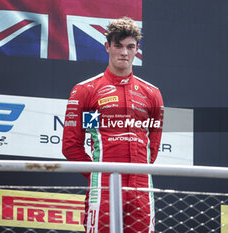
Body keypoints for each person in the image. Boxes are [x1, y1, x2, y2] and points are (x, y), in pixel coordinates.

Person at [62, 17, 164, 233]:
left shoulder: (152, 94)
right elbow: (71, 146)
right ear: (107, 46)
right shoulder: (86, 90)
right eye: (118, 46)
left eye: (130, 47)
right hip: (103, 188)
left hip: (142, 189)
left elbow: (151, 148)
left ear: (137, 49)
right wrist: (97, 174)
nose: (124, 53)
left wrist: (137, 174)